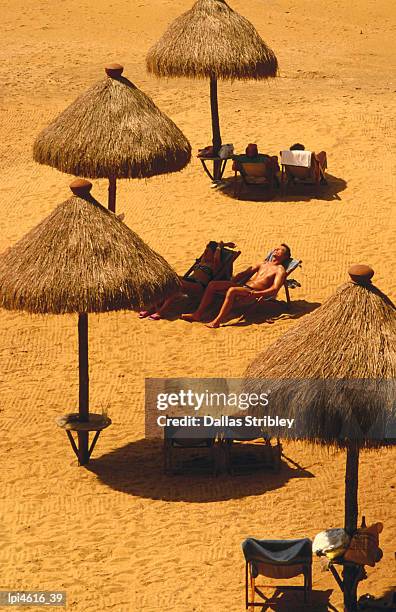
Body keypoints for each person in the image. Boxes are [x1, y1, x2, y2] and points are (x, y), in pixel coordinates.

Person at [181, 244, 292, 328]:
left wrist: (256, 294)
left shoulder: (280, 270)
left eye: (280, 250)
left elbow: (274, 289)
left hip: (252, 291)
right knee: (213, 285)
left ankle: (217, 321)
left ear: (285, 256)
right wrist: (233, 280)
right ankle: (198, 314)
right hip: (243, 286)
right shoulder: (262, 264)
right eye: (276, 249)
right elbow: (245, 273)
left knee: (232, 290)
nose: (276, 250)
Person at [139, 241, 237, 320]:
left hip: (198, 286)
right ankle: (152, 308)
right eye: (205, 251)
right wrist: (221, 245)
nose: (205, 253)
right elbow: (211, 247)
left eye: (208, 251)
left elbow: (216, 256)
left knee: (177, 285)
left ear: (214, 253)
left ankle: (161, 311)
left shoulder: (215, 265)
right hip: (189, 281)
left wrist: (220, 246)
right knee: (166, 280)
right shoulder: (203, 261)